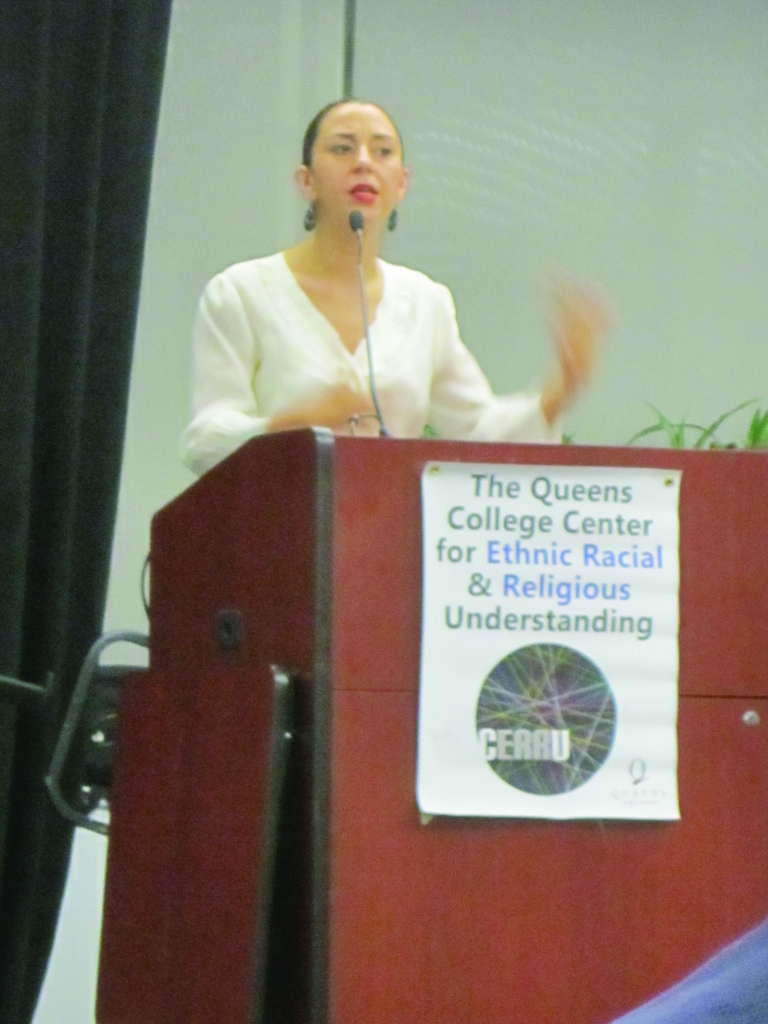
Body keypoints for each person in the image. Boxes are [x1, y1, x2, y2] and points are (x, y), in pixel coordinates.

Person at [180, 99, 608, 476]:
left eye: (382, 151)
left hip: (388, 531)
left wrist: (561, 388)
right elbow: (204, 440)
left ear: (401, 184)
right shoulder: (241, 293)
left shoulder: (425, 301)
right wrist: (287, 427)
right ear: (306, 180)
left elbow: (478, 431)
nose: (364, 162)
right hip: (278, 525)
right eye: (342, 148)